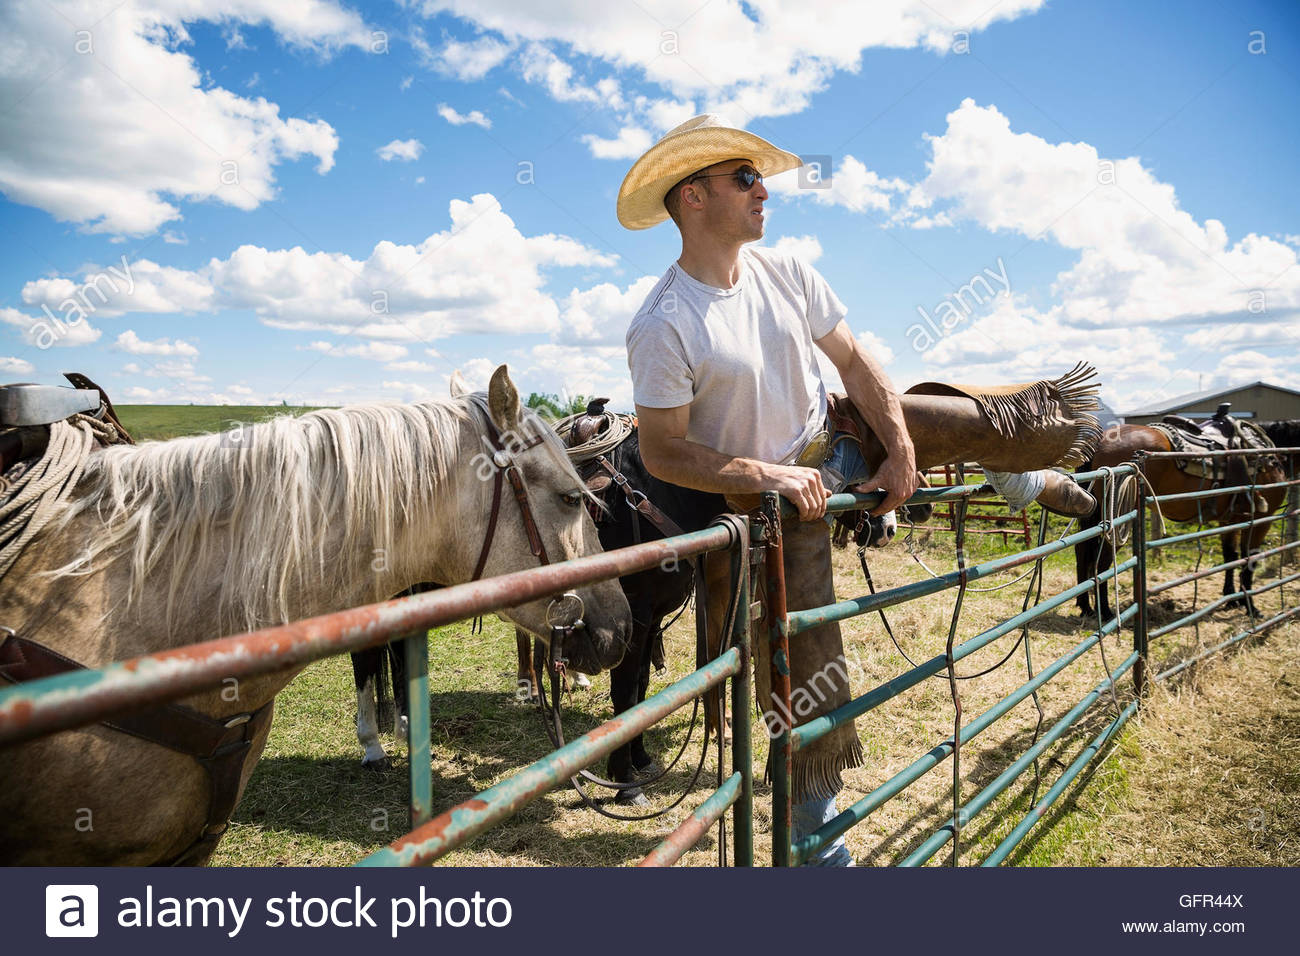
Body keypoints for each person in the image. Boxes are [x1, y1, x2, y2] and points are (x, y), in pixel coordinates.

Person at [617, 115, 1094, 865]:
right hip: (773, 502)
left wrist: (899, 450)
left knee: (949, 410)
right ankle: (821, 841)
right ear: (693, 199)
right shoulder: (664, 323)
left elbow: (856, 361)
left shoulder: (789, 273)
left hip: (834, 444)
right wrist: (764, 474)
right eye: (745, 178)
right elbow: (661, 450)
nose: (763, 190)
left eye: (758, 177)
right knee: (811, 664)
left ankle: (1031, 475)